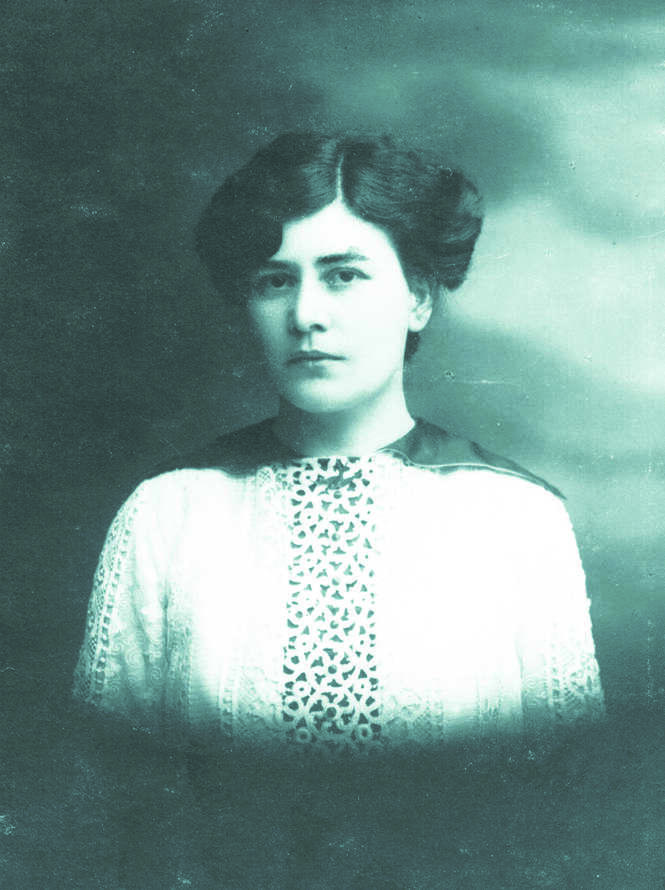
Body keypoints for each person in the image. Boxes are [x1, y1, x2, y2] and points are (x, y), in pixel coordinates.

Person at [73, 132, 605, 754]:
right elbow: (112, 778)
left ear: (418, 298)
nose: (305, 315)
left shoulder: (517, 516)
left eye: (344, 275)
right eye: (275, 281)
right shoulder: (168, 512)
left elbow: (568, 783)